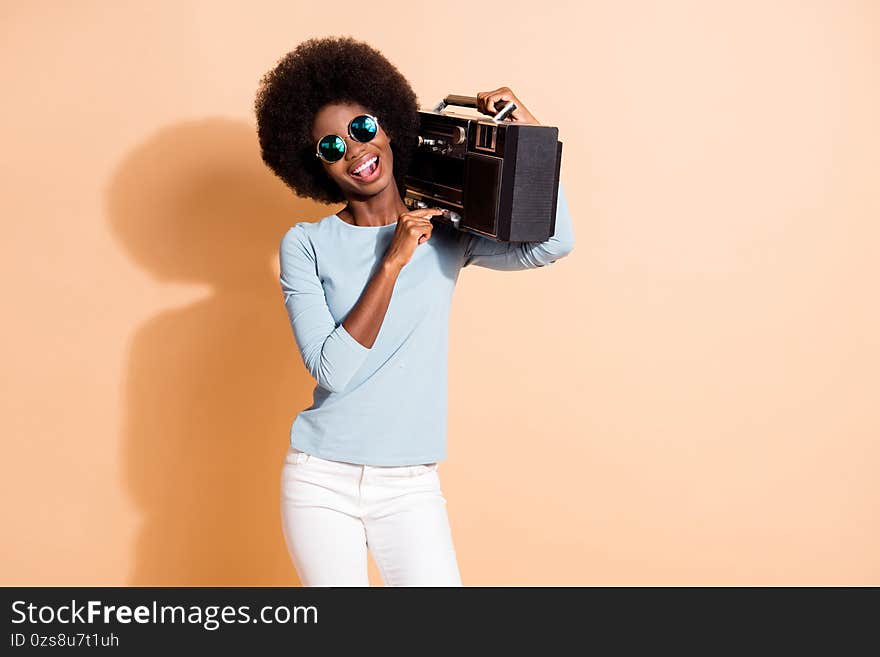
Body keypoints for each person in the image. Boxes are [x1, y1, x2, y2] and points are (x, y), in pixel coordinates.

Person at [254, 35, 574, 587]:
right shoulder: (305, 244)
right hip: (320, 482)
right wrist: (392, 262)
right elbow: (332, 369)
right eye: (331, 147)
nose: (354, 152)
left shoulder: (449, 232)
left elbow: (551, 243)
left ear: (388, 124)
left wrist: (530, 135)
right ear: (315, 167)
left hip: (410, 485)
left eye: (360, 129)